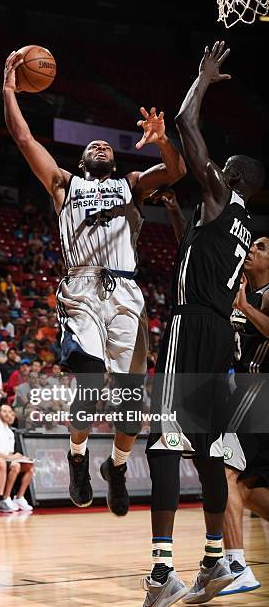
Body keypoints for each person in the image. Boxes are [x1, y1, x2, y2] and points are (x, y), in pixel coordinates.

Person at [3, 50, 186, 516]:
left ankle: (119, 467)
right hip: (82, 290)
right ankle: (78, 454)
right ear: (83, 159)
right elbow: (24, 140)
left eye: (108, 144)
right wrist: (8, 89)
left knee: (130, 402)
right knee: (88, 382)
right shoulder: (65, 185)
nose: (102, 146)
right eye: (95, 146)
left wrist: (164, 142)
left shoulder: (132, 183)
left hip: (126, 292)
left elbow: (177, 172)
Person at [142, 41, 266, 606]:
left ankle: (162, 571)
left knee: (164, 439)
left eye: (225, 166)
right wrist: (175, 218)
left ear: (233, 176)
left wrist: (202, 78)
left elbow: (189, 122)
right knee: (210, 448)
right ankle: (216, 560)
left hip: (191, 329)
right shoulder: (233, 225)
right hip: (219, 337)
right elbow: (201, 256)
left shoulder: (221, 193)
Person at [220, 237, 269, 596]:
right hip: (248, 396)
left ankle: (237, 567)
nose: (252, 249)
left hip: (261, 395)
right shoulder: (244, 292)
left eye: (263, 247)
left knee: (225, 473)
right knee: (248, 491)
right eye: (252, 245)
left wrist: (244, 308)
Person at [0, 403, 33, 512]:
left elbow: (10, 453)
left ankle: (19, 497)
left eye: (10, 412)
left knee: (29, 466)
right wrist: (10, 458)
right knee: (15, 465)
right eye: (5, 411)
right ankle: (5, 498)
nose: (8, 414)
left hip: (7, 460)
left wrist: (19, 457)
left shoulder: (10, 432)